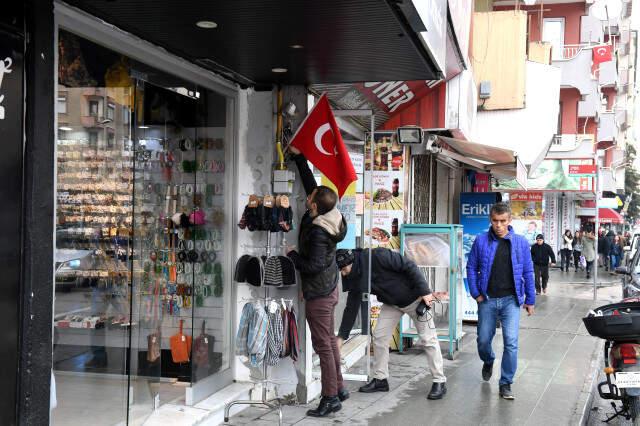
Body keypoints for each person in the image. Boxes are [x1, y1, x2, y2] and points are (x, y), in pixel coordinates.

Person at [335, 248, 447, 400]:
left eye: (343, 269)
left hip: (415, 299)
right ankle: (380, 379)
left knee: (428, 339)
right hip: (392, 303)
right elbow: (351, 306)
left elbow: (409, 266)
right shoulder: (353, 275)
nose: (343, 273)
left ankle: (439, 381)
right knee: (380, 337)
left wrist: (425, 292)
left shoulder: (378, 256)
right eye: (340, 270)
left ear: (352, 262)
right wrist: (341, 337)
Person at [287, 146, 348, 417]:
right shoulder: (330, 213)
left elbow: (312, 265)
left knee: (323, 345)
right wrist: (300, 158)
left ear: (313, 205)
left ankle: (330, 397)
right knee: (330, 341)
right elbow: (313, 186)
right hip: (328, 286)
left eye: (309, 199)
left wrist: (293, 257)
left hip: (320, 292)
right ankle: (341, 388)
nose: (307, 197)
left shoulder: (320, 233)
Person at [466, 202, 535, 400]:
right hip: (487, 299)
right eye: (495, 221)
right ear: (491, 220)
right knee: (483, 340)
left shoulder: (521, 243)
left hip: (511, 301)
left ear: (509, 221)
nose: (498, 225)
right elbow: (471, 267)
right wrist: (476, 293)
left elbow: (528, 272)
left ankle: (505, 383)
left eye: (502, 221)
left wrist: (530, 299)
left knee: (511, 343)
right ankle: (488, 360)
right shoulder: (481, 241)